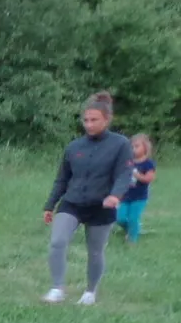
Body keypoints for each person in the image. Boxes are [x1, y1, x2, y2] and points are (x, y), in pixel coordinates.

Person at [43, 91, 134, 306]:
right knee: (57, 242)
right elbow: (62, 179)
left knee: (95, 251)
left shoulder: (120, 144)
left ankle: (90, 292)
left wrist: (115, 195)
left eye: (94, 120)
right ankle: (57, 289)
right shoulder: (74, 147)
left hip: (102, 207)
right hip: (72, 203)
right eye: (86, 120)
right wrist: (50, 205)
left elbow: (124, 174)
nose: (89, 124)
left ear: (107, 120)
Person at [118, 134, 156, 244]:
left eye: (137, 146)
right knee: (119, 218)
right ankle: (131, 228)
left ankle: (132, 240)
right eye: (131, 147)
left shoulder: (148, 164)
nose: (133, 149)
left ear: (145, 147)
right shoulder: (127, 162)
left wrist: (137, 175)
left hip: (139, 197)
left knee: (133, 218)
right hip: (124, 195)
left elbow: (149, 178)